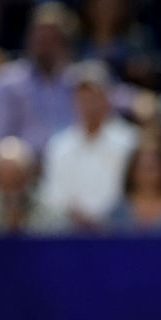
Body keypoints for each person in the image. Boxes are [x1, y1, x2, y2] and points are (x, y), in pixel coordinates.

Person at [36, 59, 138, 231]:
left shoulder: (130, 141)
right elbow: (51, 194)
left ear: (107, 97)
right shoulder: (59, 145)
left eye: (95, 95)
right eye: (83, 96)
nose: (89, 102)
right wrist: (74, 214)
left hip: (117, 232)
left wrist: (101, 218)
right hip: (67, 232)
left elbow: (133, 192)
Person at [0, 1, 77, 154]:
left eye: (52, 40)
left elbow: (116, 97)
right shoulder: (8, 81)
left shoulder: (77, 80)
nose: (45, 46)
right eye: (40, 39)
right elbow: (1, 136)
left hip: (69, 161)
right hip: (22, 163)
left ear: (65, 44)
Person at [0, 135, 63, 234]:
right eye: (5, 183)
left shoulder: (47, 210)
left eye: (16, 182)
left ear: (28, 178)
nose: (11, 192)